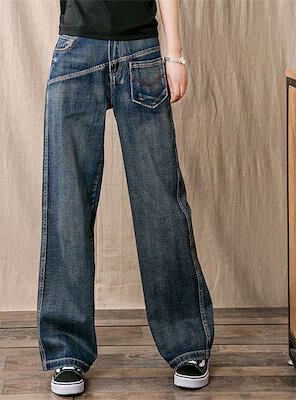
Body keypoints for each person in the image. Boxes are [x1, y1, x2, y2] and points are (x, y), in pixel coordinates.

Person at [37, 0, 214, 395]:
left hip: (141, 52)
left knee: (161, 204)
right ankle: (67, 351)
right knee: (67, 205)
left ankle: (187, 343)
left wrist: (175, 55)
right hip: (77, 49)